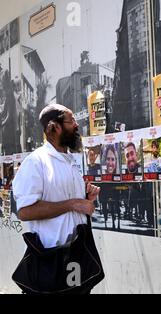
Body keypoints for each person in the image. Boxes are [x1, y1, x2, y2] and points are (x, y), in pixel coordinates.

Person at [12, 104, 101, 294]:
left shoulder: (70, 161)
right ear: (54, 127)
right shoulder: (36, 162)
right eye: (71, 121)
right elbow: (25, 211)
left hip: (76, 255)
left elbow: (71, 204)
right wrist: (73, 204)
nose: (77, 125)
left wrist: (85, 198)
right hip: (50, 260)